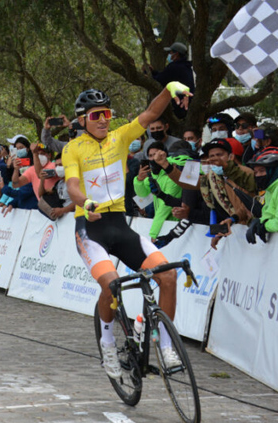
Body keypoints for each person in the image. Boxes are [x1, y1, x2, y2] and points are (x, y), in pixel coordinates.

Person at [62, 81, 191, 379]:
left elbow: (149, 114)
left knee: (168, 276)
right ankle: (107, 342)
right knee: (111, 284)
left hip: (121, 226)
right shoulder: (73, 149)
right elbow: (72, 186)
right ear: (82, 120)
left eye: (106, 113)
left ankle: (165, 344)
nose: (104, 119)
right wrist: (86, 203)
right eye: (96, 115)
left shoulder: (120, 138)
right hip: (90, 228)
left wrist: (170, 88)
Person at [244, 149, 278, 244]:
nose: (258, 175)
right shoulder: (271, 188)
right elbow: (268, 214)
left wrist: (264, 226)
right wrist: (259, 222)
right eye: (256, 172)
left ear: (275, 170)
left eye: (262, 171)